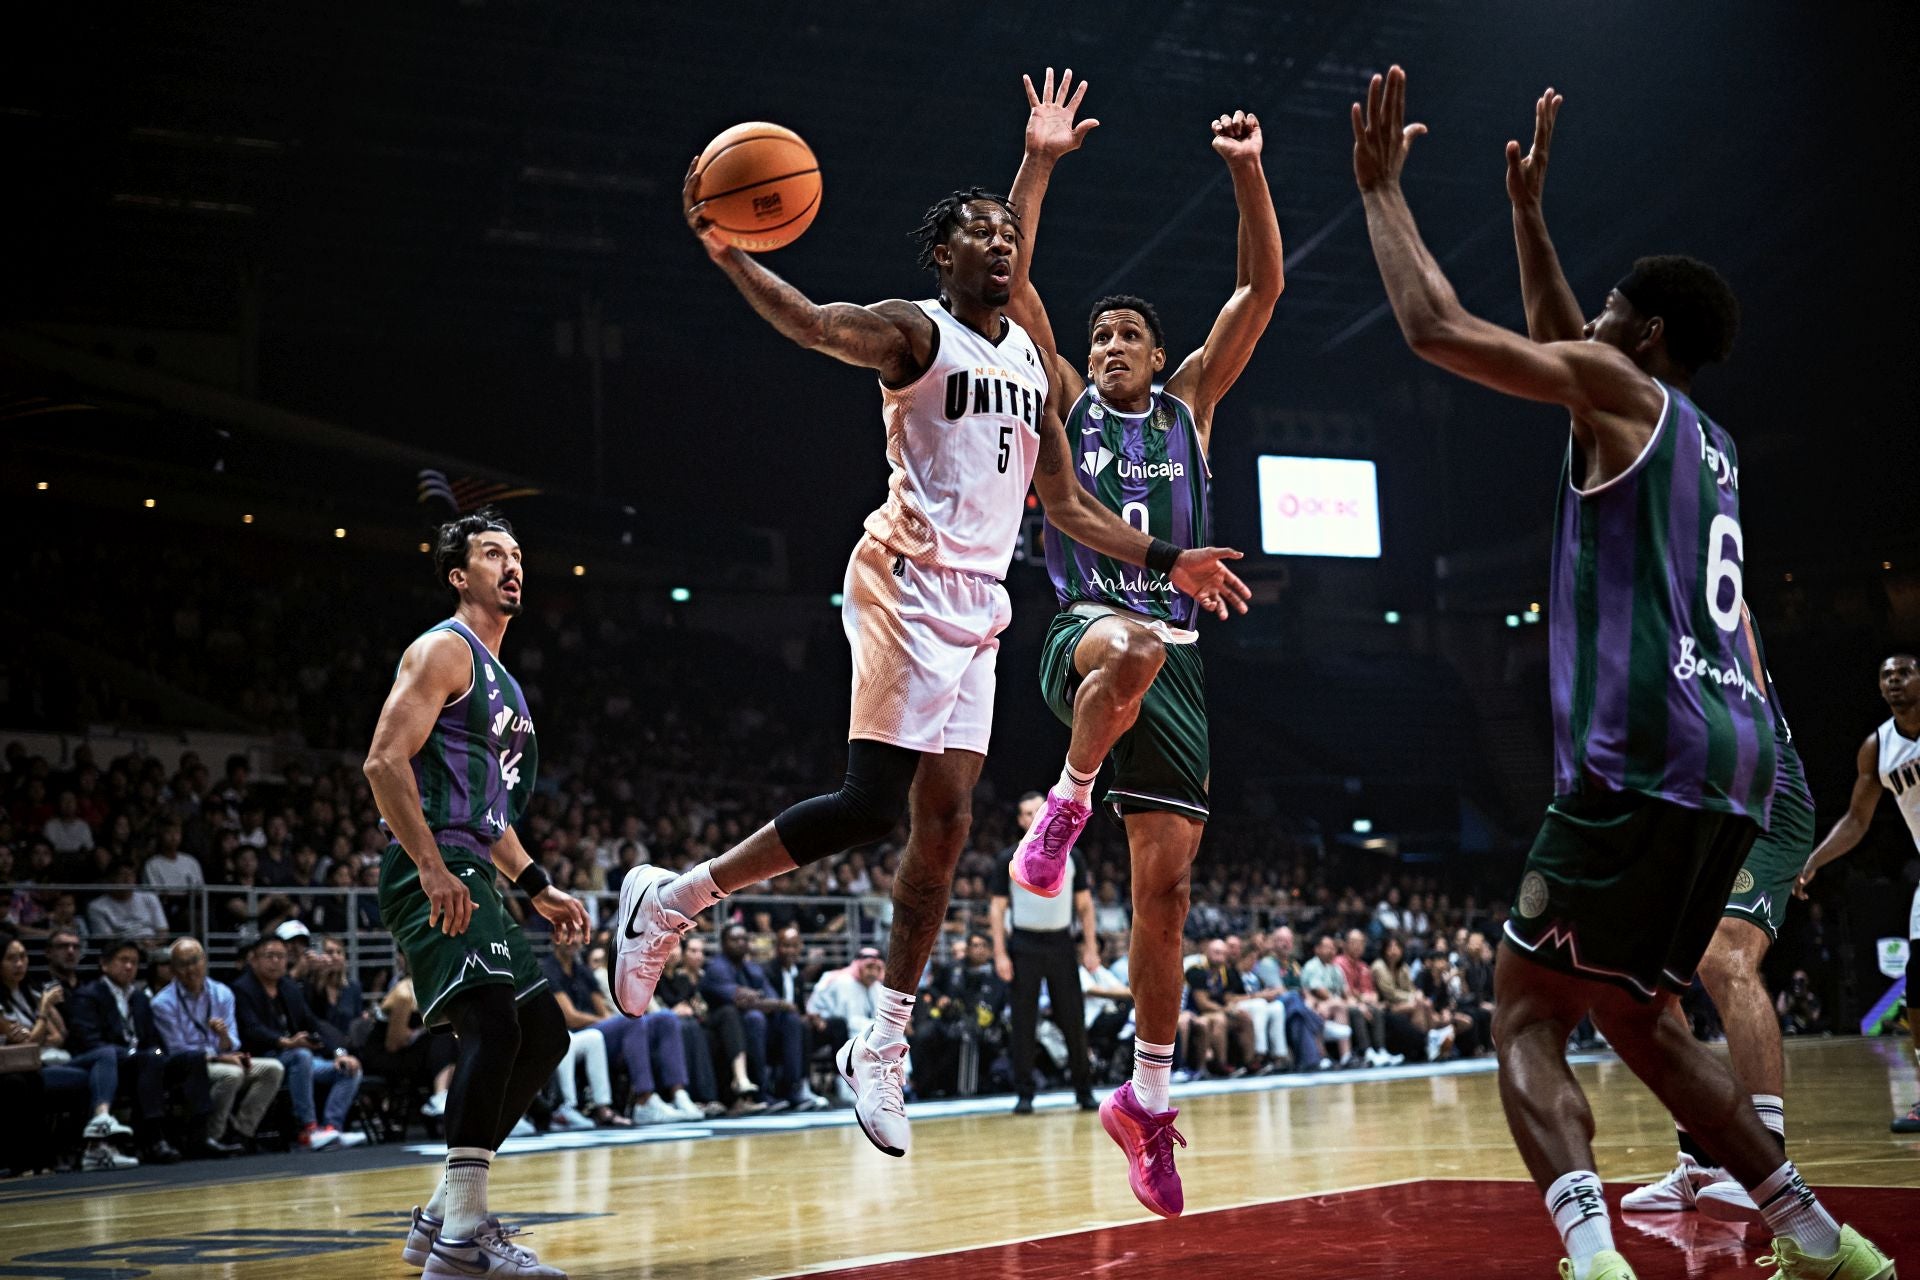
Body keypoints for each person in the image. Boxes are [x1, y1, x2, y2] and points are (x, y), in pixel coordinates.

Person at [1351, 64, 1889, 1280]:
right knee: (1642, 1014)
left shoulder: (1619, 392)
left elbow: (1441, 330)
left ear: (1643, 335)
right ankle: (1818, 1235)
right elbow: (1566, 350)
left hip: (1647, 749)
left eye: (1603, 308)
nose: (1583, 322)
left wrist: (1383, 194)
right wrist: (1533, 220)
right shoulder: (1706, 437)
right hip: (1742, 762)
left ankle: (1593, 1257)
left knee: (1527, 1009)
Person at [613, 139, 1252, 1162]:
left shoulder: (1034, 370)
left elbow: (1069, 506)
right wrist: (732, 253)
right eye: (978, 232)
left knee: (946, 828)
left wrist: (1168, 555)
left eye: (1008, 232)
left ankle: (887, 1039)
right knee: (876, 803)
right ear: (942, 256)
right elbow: (817, 324)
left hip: (981, 606)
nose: (999, 242)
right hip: (903, 582)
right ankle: (675, 897)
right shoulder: (919, 333)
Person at [994, 69, 1282, 1218]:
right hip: (1083, 629)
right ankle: (1063, 803)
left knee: (1164, 897)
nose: (1109, 343)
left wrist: (1249, 174)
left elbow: (1259, 285)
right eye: (1101, 331)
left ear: (1158, 359)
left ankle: (1147, 1103)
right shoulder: (1062, 398)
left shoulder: (1191, 407)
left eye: (1128, 335)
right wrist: (1040, 161)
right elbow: (1010, 280)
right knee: (1131, 646)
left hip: (1177, 663)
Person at [362, 508, 589, 1279]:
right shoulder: (442, 651)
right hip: (432, 867)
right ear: (461, 576)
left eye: (518, 552)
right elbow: (385, 763)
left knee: (544, 1034)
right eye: (493, 553)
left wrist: (538, 886)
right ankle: (463, 1239)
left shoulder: (504, 686)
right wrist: (430, 866)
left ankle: (443, 1213)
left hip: (473, 866)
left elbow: (490, 819)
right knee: (492, 1025)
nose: (511, 563)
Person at [1793, 653, 1920, 1134]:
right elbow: (1856, 820)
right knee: (1918, 983)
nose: (1893, 681)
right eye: (1885, 675)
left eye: (1903, 672)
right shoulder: (1878, 747)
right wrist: (1813, 860)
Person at [990, 791, 1098, 1115]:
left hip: (1062, 944)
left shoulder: (1072, 856)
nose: (1031, 817)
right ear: (1020, 820)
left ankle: (1084, 1090)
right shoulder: (1007, 858)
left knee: (1073, 1019)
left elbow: (1085, 907)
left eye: (1037, 811)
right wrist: (999, 954)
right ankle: (1024, 1093)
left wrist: (1090, 946)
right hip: (1023, 946)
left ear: (1046, 814)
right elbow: (997, 910)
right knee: (1023, 1023)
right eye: (1025, 813)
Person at [66, 937, 213, 1164]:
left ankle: (199, 1136)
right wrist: (136, 1055)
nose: (129, 967)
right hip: (109, 1064)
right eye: (123, 960)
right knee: (148, 1061)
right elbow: (89, 1042)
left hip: (143, 1062)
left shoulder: (139, 998)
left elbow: (152, 1040)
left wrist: (154, 1053)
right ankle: (153, 1140)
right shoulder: (88, 995)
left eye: (134, 962)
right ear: (104, 964)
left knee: (192, 1058)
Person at [0, 935, 137, 1169]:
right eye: (12, 959)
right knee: (90, 1079)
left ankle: (101, 1122)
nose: (20, 964)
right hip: (26, 1069)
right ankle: (95, 1147)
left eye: (23, 957)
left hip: (54, 1060)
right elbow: (30, 1044)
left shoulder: (30, 992)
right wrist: (44, 1011)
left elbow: (60, 1034)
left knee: (105, 1055)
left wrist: (40, 1025)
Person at [232, 935, 368, 1151]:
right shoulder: (242, 988)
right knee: (302, 1056)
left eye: (281, 956)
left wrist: (339, 1053)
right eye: (270, 956)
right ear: (254, 959)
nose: (276, 961)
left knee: (349, 1069)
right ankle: (308, 1129)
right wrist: (285, 1042)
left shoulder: (287, 986)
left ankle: (332, 1128)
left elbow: (314, 1023)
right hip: (263, 1058)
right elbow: (251, 1029)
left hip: (296, 1059)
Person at [151, 937, 281, 1152]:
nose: (191, 969)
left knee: (273, 1069)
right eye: (183, 964)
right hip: (190, 1067)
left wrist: (223, 1037)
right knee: (231, 1074)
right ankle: (212, 1136)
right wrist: (219, 1056)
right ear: (173, 970)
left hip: (223, 1059)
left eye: (195, 961)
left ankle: (241, 1133)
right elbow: (177, 1051)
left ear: (204, 961)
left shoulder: (222, 993)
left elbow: (233, 1042)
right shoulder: (162, 1003)